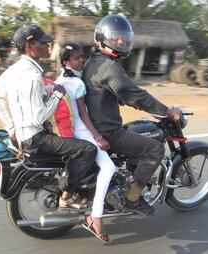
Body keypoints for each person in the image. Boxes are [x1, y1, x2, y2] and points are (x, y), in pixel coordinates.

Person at [0, 25, 97, 209]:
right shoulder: (32, 75)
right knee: (87, 150)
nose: (48, 46)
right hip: (35, 138)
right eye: (44, 43)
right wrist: (57, 95)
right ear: (30, 45)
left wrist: (11, 128)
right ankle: (67, 196)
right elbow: (39, 116)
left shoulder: (14, 69)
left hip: (24, 135)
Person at [83, 15, 179, 216]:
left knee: (135, 134)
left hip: (92, 125)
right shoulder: (109, 67)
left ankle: (124, 182)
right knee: (154, 149)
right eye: (115, 38)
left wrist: (126, 98)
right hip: (107, 131)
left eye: (122, 38)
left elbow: (114, 91)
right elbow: (134, 94)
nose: (120, 41)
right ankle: (132, 198)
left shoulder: (93, 61)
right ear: (101, 38)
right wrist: (166, 111)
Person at [54, 42, 116, 242]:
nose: (81, 61)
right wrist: (97, 137)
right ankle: (96, 216)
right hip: (82, 131)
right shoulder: (78, 84)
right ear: (66, 62)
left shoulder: (60, 79)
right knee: (109, 167)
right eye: (76, 58)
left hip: (67, 131)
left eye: (82, 57)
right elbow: (83, 114)